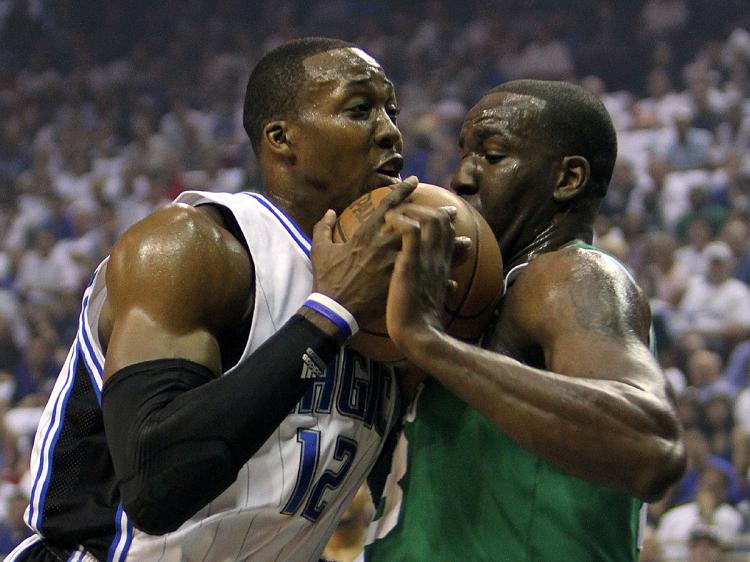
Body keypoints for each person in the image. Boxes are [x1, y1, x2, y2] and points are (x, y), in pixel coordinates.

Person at [8, 37, 452, 562]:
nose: (390, 131)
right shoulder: (193, 248)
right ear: (282, 138)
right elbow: (156, 486)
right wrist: (329, 315)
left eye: (391, 111)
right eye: (359, 110)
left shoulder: (388, 295)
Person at [364, 80, 686, 561]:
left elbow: (651, 445)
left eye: (492, 156)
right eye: (464, 154)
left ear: (567, 179)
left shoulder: (568, 275)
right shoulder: (478, 300)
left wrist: (425, 340)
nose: (461, 178)